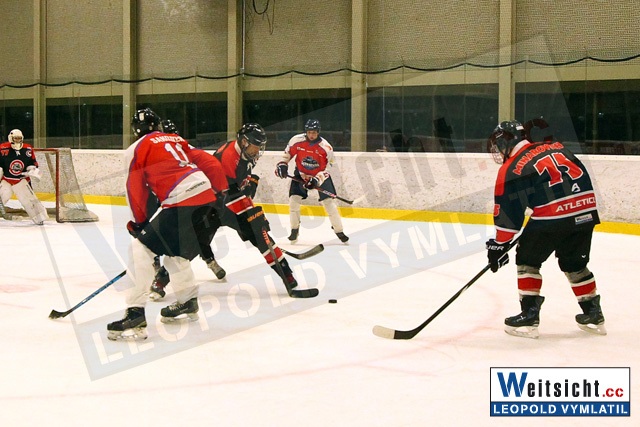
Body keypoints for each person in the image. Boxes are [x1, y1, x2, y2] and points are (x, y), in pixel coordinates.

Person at [107, 108, 228, 340]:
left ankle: (135, 312)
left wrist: (139, 223)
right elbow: (210, 162)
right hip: (206, 198)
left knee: (140, 248)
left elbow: (135, 188)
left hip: (182, 200)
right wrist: (221, 191)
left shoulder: (136, 148)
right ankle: (187, 301)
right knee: (176, 253)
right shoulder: (176, 139)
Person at [150, 123, 303, 300]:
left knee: (260, 236)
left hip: (228, 202)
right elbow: (226, 193)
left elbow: (239, 185)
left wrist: (251, 186)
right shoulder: (227, 158)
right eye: (255, 146)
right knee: (190, 246)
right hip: (212, 206)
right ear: (244, 142)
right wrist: (253, 212)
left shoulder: (245, 154)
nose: (258, 151)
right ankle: (161, 280)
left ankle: (287, 275)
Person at [486, 120, 605, 339]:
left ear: (507, 142)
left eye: (500, 145)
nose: (499, 150)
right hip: (585, 212)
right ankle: (593, 312)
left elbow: (509, 216)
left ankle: (529, 315)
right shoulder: (558, 147)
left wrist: (498, 245)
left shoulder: (512, 167)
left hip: (552, 218)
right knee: (575, 263)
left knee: (527, 260)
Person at [147, 118, 226, 301]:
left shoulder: (182, 153)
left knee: (187, 242)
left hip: (198, 200)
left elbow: (212, 166)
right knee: (188, 238)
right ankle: (162, 267)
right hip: (195, 199)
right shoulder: (177, 152)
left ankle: (163, 279)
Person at [274, 119, 348, 243]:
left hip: (320, 176)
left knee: (329, 203)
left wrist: (316, 180)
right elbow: (287, 154)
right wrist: (283, 164)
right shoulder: (296, 140)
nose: (311, 135)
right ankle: (294, 229)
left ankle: (339, 230)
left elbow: (328, 168)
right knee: (293, 201)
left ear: (318, 132)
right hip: (301, 174)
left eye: (313, 132)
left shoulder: (326, 147)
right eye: (309, 132)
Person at [0, 129, 48, 225]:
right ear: (10, 138)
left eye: (19, 138)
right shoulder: (2, 148)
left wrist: (31, 170)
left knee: (29, 201)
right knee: (2, 197)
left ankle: (40, 218)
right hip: (6, 180)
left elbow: (33, 163)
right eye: (15, 138)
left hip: (21, 180)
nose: (17, 140)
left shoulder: (28, 149)